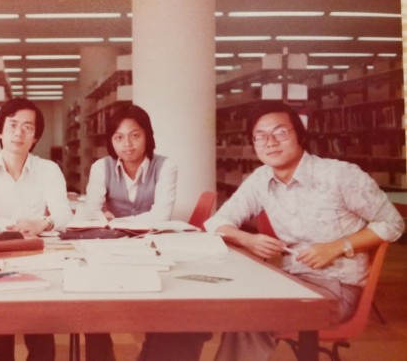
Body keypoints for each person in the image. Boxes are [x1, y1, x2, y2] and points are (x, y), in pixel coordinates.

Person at [205, 101, 405, 361]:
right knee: (227, 300)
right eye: (260, 136)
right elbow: (217, 222)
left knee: (250, 316)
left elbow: (393, 223)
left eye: (280, 133)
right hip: (292, 280)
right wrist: (247, 239)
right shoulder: (261, 179)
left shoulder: (339, 175)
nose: (270, 142)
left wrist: (338, 246)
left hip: (337, 289)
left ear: (300, 136)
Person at [76, 105, 209, 361]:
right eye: (119, 137)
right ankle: (101, 353)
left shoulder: (165, 166)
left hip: (153, 249)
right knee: (93, 301)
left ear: (148, 135)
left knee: (161, 304)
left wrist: (115, 220)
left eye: (135, 135)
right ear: (111, 141)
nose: (127, 144)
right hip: (112, 249)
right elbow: (92, 211)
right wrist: (101, 216)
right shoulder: (100, 167)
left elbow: (161, 216)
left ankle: (153, 352)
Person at [0, 98, 73, 361]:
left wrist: (42, 223)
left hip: (35, 257)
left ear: (36, 137)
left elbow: (64, 214)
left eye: (28, 128)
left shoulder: (49, 170)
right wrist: (18, 225)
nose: (19, 133)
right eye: (12, 125)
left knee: (41, 332)